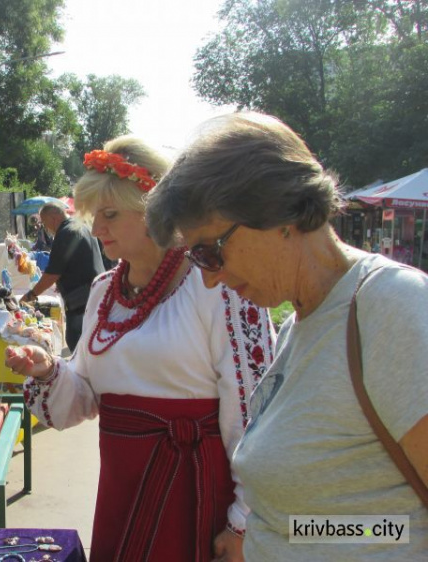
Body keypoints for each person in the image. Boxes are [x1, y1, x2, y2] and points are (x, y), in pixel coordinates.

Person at [146, 112, 428, 560]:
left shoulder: (390, 308)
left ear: (278, 212)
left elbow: (404, 529)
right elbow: (375, 522)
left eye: (209, 252)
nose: (209, 280)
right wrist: (267, 538)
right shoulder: (299, 325)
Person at [7, 136, 275, 562]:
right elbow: (85, 397)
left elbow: (256, 416)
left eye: (110, 215)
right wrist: (48, 372)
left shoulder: (218, 286)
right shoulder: (102, 293)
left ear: (154, 209)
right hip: (122, 491)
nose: (96, 230)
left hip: (194, 494)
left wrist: (244, 521)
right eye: (95, 216)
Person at [19, 202, 105, 351]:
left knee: (76, 342)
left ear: (53, 218)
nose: (47, 229)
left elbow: (52, 273)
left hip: (80, 301)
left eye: (45, 223)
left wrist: (31, 295)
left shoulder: (65, 232)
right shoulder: (81, 226)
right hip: (95, 294)